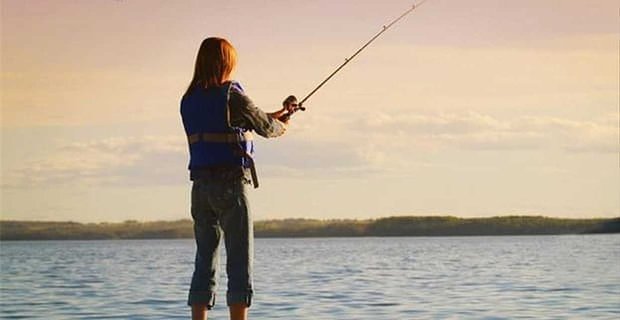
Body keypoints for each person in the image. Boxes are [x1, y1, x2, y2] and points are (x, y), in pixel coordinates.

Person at [180, 37, 297, 320]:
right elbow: (266, 128)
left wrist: (279, 113)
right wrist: (286, 120)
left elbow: (238, 121)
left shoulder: (189, 99)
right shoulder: (231, 93)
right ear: (226, 62)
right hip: (231, 184)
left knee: (204, 259)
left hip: (200, 188)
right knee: (239, 260)